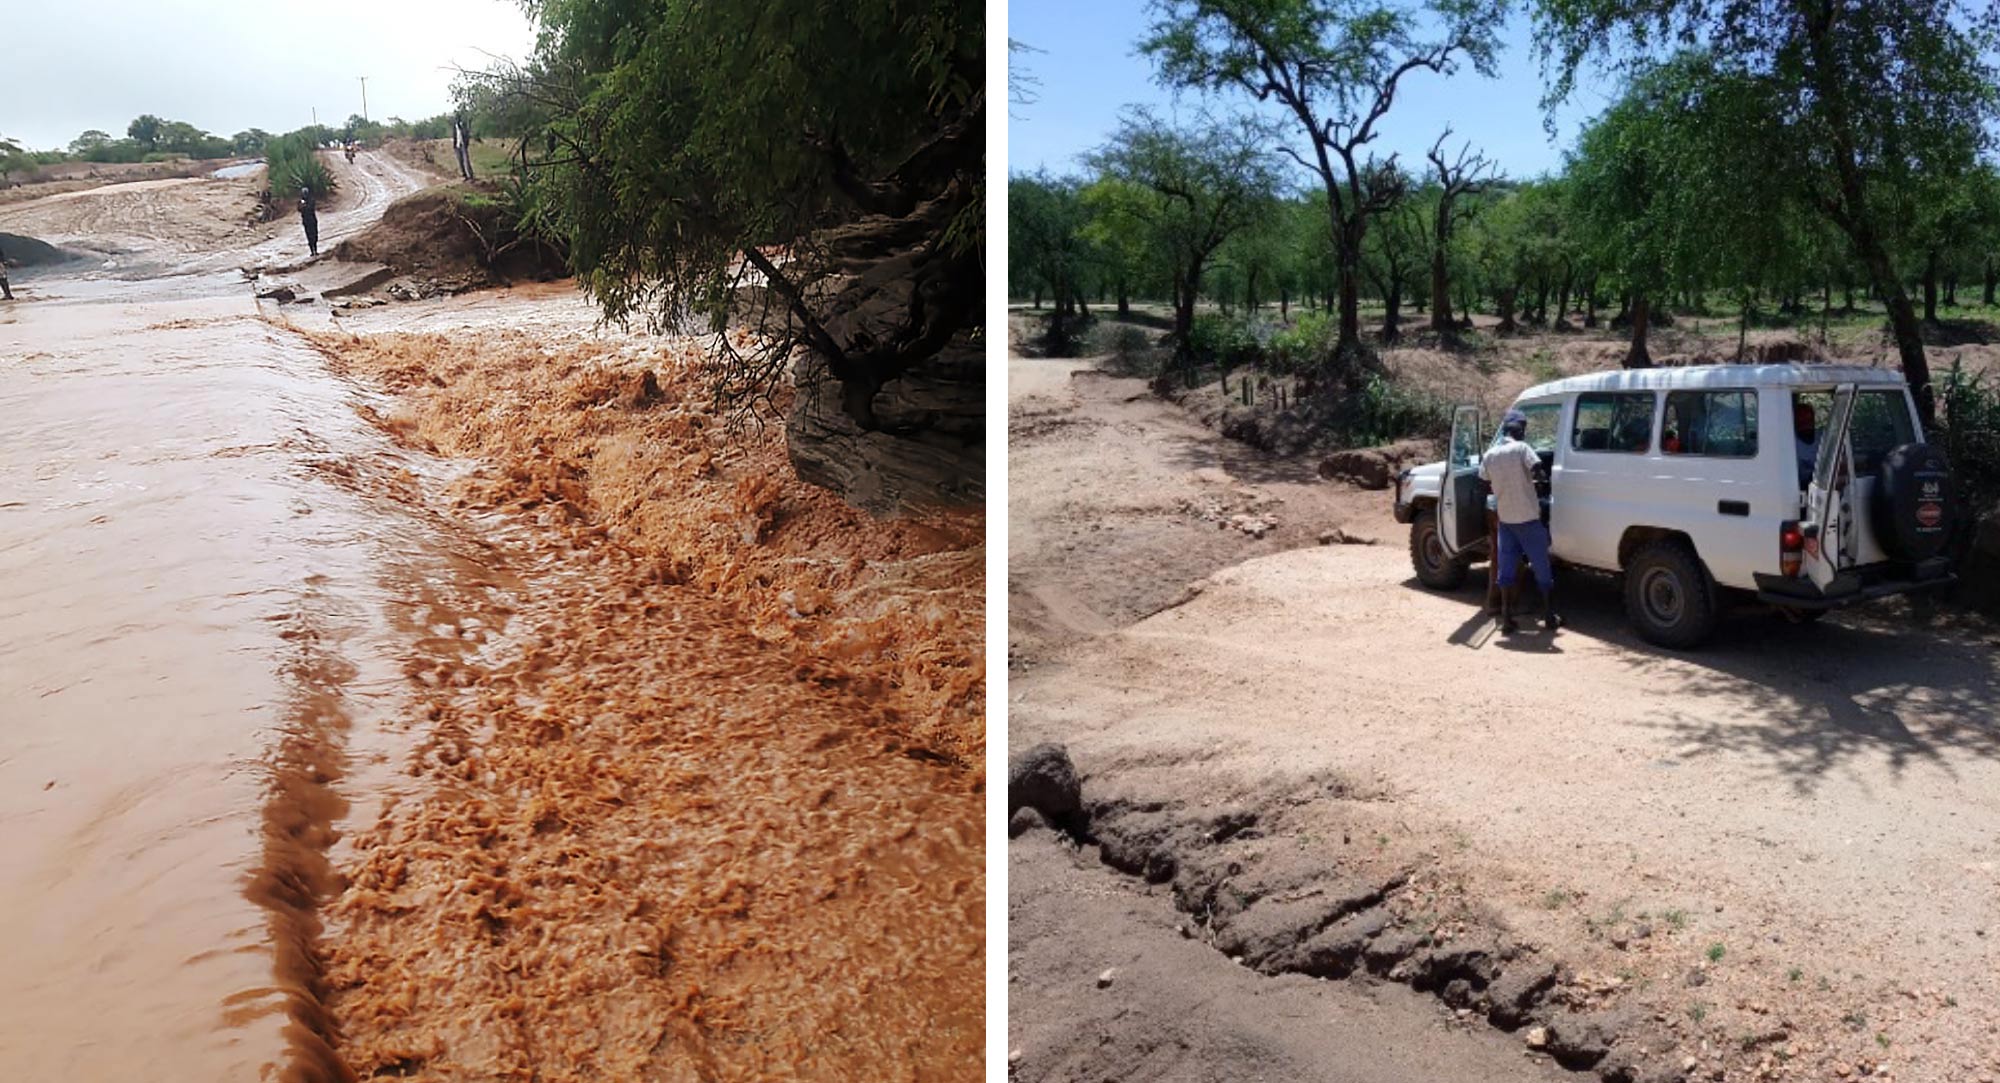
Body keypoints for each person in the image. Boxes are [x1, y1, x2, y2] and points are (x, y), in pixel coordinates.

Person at [1478, 409, 1561, 633]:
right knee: (1542, 567)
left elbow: (1483, 483)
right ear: (1521, 430)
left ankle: (1506, 619)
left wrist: (1502, 489)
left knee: (1505, 571)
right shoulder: (1523, 449)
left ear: (1505, 429)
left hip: (1506, 522)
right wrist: (1538, 484)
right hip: (1529, 521)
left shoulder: (1490, 455)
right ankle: (1549, 616)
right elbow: (1539, 472)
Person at [1794, 400, 1818, 488]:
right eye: (1802, 420)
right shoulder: (1790, 443)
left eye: (1809, 419)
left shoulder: (1823, 437)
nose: (1806, 424)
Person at [298, 187, 319, 257]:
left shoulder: (311, 200)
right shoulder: (301, 201)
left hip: (312, 220)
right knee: (309, 236)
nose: (304, 195)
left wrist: (304, 206)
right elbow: (299, 209)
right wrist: (303, 205)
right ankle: (312, 251)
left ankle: (315, 250)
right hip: (306, 221)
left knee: (315, 235)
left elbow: (310, 208)